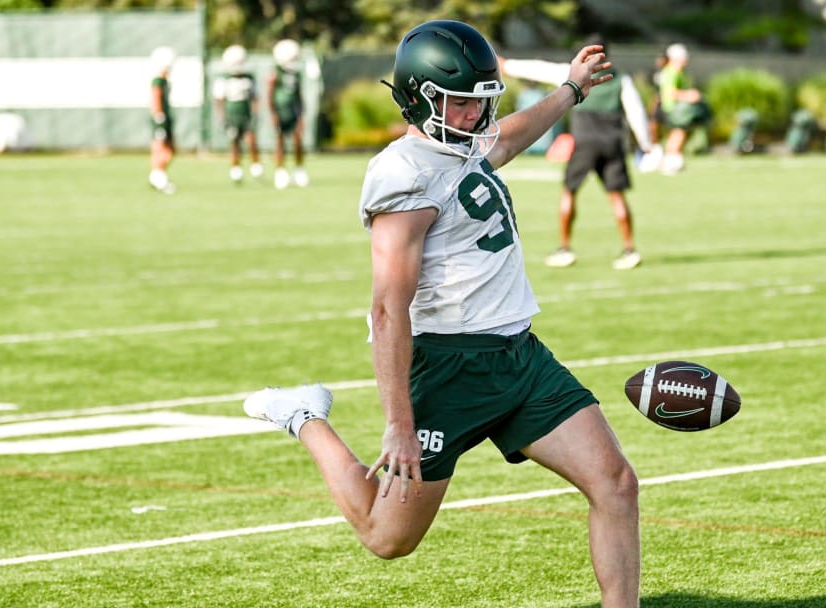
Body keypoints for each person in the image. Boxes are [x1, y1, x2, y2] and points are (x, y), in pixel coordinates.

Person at [243, 20, 641, 608]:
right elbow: (386, 308)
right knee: (386, 537)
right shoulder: (403, 174)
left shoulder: (464, 142)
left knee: (616, 483)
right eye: (461, 104)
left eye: (482, 103)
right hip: (447, 368)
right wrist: (398, 422)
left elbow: (507, 137)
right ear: (419, 98)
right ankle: (303, 416)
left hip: (519, 357)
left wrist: (571, 89)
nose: (476, 117)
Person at [500, 34, 650, 270]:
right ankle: (629, 249)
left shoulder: (572, 73)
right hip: (612, 143)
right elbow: (636, 111)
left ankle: (565, 248)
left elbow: (540, 69)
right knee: (617, 196)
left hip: (584, 142)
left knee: (569, 193)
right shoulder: (621, 79)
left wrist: (507, 65)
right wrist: (645, 142)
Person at [657, 43, 711, 175]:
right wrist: (688, 95)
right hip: (674, 109)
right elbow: (670, 92)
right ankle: (670, 162)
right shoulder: (671, 72)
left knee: (681, 134)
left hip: (678, 109)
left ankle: (674, 159)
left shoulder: (679, 72)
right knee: (678, 133)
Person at [213, 44, 263, 184]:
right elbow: (219, 99)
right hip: (232, 113)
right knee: (234, 141)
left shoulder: (249, 78)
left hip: (245, 112)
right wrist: (221, 116)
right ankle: (236, 167)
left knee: (251, 139)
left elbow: (255, 97)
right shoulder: (223, 78)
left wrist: (255, 113)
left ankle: (255, 164)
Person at [267, 39, 309, 189]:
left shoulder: (296, 74)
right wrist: (273, 114)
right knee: (280, 141)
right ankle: (280, 171)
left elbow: (298, 95)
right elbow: (270, 96)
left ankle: (299, 170)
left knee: (298, 140)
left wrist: (301, 114)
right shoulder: (275, 73)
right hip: (280, 111)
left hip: (293, 112)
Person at [148, 46, 176, 194]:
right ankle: (157, 176)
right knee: (161, 148)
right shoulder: (158, 81)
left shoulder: (164, 81)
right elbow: (155, 98)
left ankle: (157, 175)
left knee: (171, 149)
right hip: (161, 118)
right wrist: (159, 116)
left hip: (165, 118)